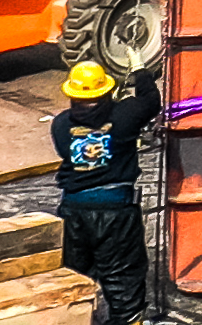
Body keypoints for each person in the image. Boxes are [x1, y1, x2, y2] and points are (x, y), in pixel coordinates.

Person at [49, 63, 147, 325]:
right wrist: (140, 69)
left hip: (74, 212)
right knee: (122, 275)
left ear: (72, 95)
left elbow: (64, 152)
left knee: (77, 273)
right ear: (106, 93)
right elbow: (150, 100)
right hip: (115, 212)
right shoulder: (126, 116)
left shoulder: (60, 125)